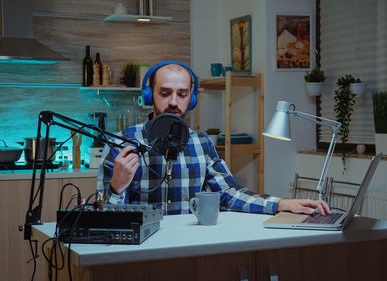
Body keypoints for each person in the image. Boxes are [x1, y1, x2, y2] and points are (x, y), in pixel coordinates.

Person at [97, 61, 331, 216]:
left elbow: (229, 194)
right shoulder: (121, 143)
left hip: (190, 251)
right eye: (165, 93)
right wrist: (117, 188)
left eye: (182, 94)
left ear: (192, 98)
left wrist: (281, 204)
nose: (173, 102)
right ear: (149, 95)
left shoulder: (201, 144)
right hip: (141, 255)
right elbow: (102, 217)